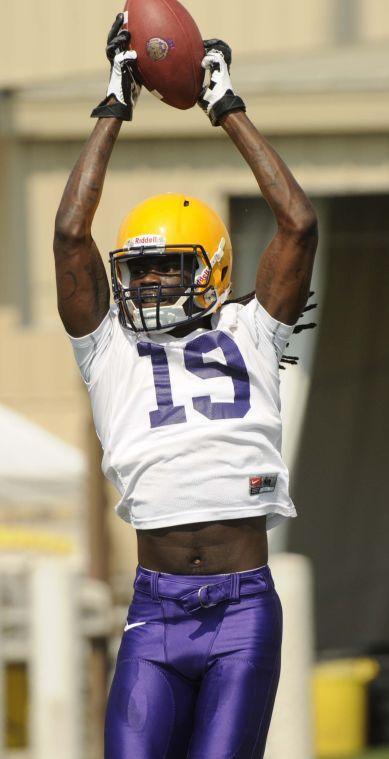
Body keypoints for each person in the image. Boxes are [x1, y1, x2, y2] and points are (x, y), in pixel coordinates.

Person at [54, 13, 318, 759]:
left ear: (214, 270)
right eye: (140, 270)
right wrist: (113, 105)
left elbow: (296, 223)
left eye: (171, 266)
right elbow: (72, 235)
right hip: (154, 608)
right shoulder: (109, 351)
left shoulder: (252, 331)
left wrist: (223, 103)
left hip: (241, 610)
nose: (153, 282)